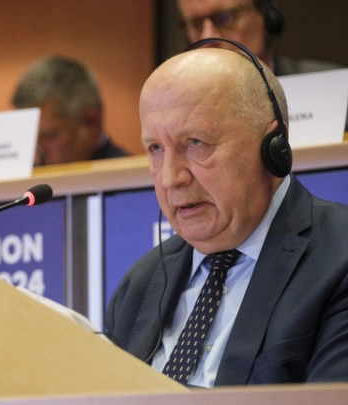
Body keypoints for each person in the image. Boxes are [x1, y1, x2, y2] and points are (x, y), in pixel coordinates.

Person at [105, 46, 348, 387]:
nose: (170, 178)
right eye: (156, 149)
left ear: (275, 145)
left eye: (195, 142)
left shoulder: (339, 260)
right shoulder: (140, 284)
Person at [11, 56, 127, 165]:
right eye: (28, 139)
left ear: (92, 122)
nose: (35, 155)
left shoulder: (131, 180)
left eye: (49, 136)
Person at [178, 0, 342, 75]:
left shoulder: (334, 92)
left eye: (225, 18)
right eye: (197, 24)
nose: (208, 36)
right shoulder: (175, 110)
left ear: (269, 18)